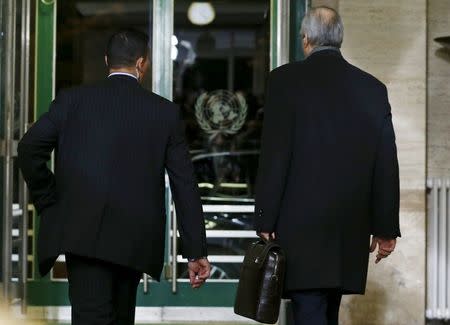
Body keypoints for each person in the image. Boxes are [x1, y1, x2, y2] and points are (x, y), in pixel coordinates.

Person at [17, 29, 211, 325]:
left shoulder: (72, 101)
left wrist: (48, 199)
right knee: (121, 317)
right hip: (134, 239)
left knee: (90, 316)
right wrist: (195, 249)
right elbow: (185, 183)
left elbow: (29, 148)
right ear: (142, 64)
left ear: (107, 60)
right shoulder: (164, 113)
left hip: (82, 233)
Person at [255, 7, 400, 325]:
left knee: (309, 309)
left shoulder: (284, 81)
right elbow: (386, 163)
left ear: (306, 39)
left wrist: (266, 213)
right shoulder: (372, 89)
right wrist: (386, 227)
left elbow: (275, 153)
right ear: (340, 39)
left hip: (300, 224)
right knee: (325, 309)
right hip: (349, 226)